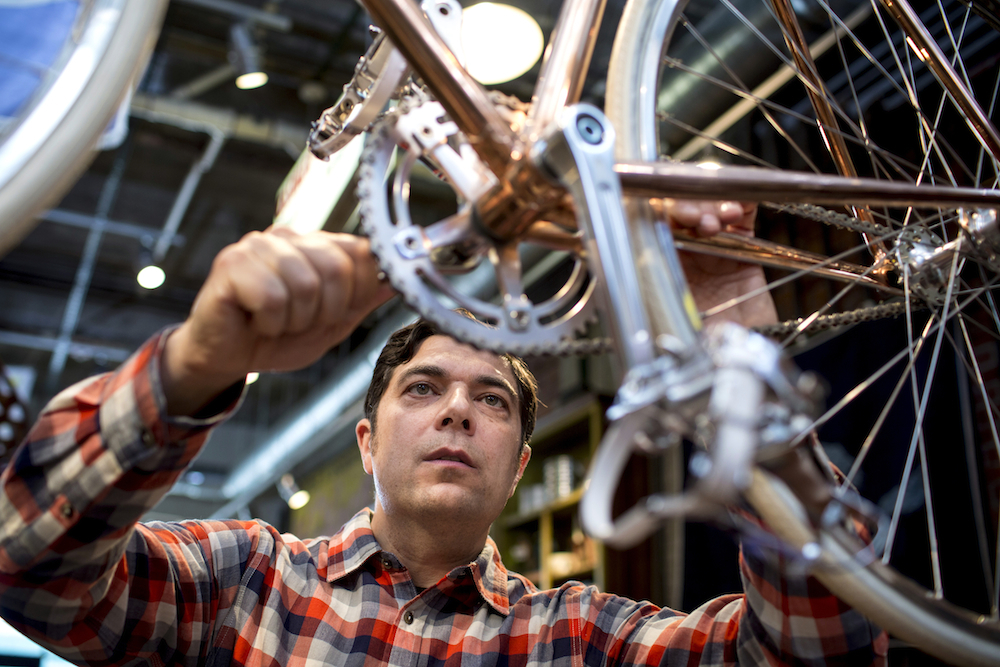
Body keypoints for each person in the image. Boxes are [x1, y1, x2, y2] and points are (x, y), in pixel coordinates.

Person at [0, 201, 887, 666]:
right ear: (364, 441)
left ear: (518, 470)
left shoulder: (581, 639)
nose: (459, 409)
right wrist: (196, 362)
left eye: (493, 401)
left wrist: (744, 368)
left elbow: (814, 653)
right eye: (423, 388)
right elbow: (29, 570)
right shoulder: (247, 580)